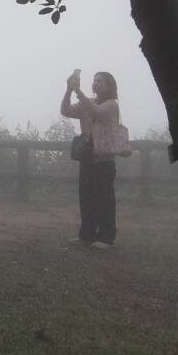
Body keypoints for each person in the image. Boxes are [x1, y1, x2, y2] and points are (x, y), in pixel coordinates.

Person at [61, 69, 121, 248]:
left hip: (104, 159)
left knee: (104, 199)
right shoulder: (88, 102)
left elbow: (96, 111)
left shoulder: (111, 105)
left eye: (100, 81)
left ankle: (106, 237)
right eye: (94, 80)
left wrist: (78, 91)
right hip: (88, 157)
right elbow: (65, 110)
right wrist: (69, 90)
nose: (95, 83)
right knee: (86, 198)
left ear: (109, 86)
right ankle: (86, 235)